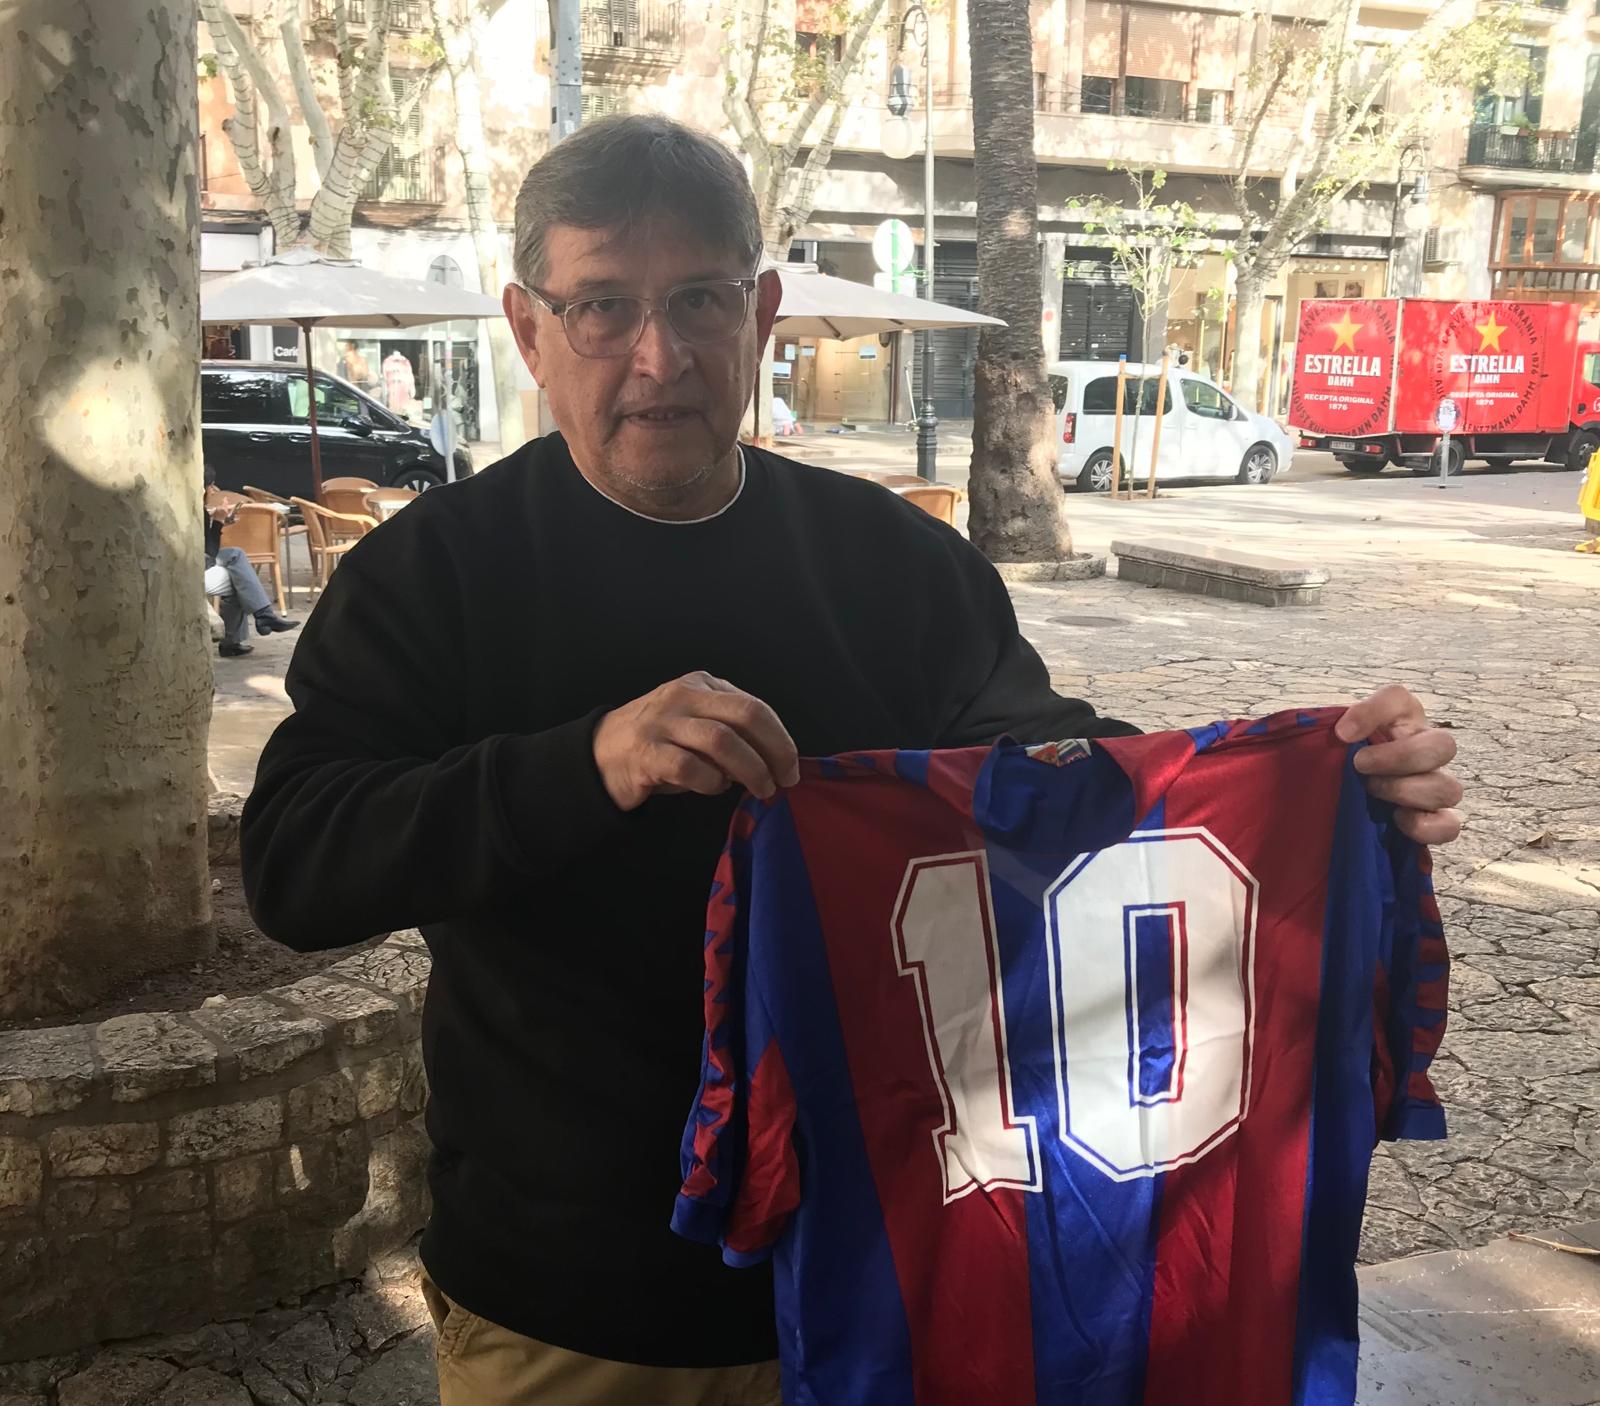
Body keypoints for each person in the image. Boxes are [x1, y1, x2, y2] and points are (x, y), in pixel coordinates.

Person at [240, 116, 1463, 1406]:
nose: (657, 356)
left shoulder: (893, 562)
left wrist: (1319, 779)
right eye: (602, 306)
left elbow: (1049, 765)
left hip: (901, 1270)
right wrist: (585, 763)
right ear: (529, 326)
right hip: (580, 1299)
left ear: (761, 312)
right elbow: (296, 862)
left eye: (700, 300)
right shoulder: (433, 579)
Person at [204, 467, 299, 658]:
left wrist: (215, 518)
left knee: (238, 569)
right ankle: (260, 619)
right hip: (193, 572)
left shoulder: (191, 509)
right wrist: (219, 523)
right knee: (239, 574)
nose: (213, 490)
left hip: (198, 566)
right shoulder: (194, 512)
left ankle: (258, 621)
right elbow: (209, 554)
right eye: (210, 485)